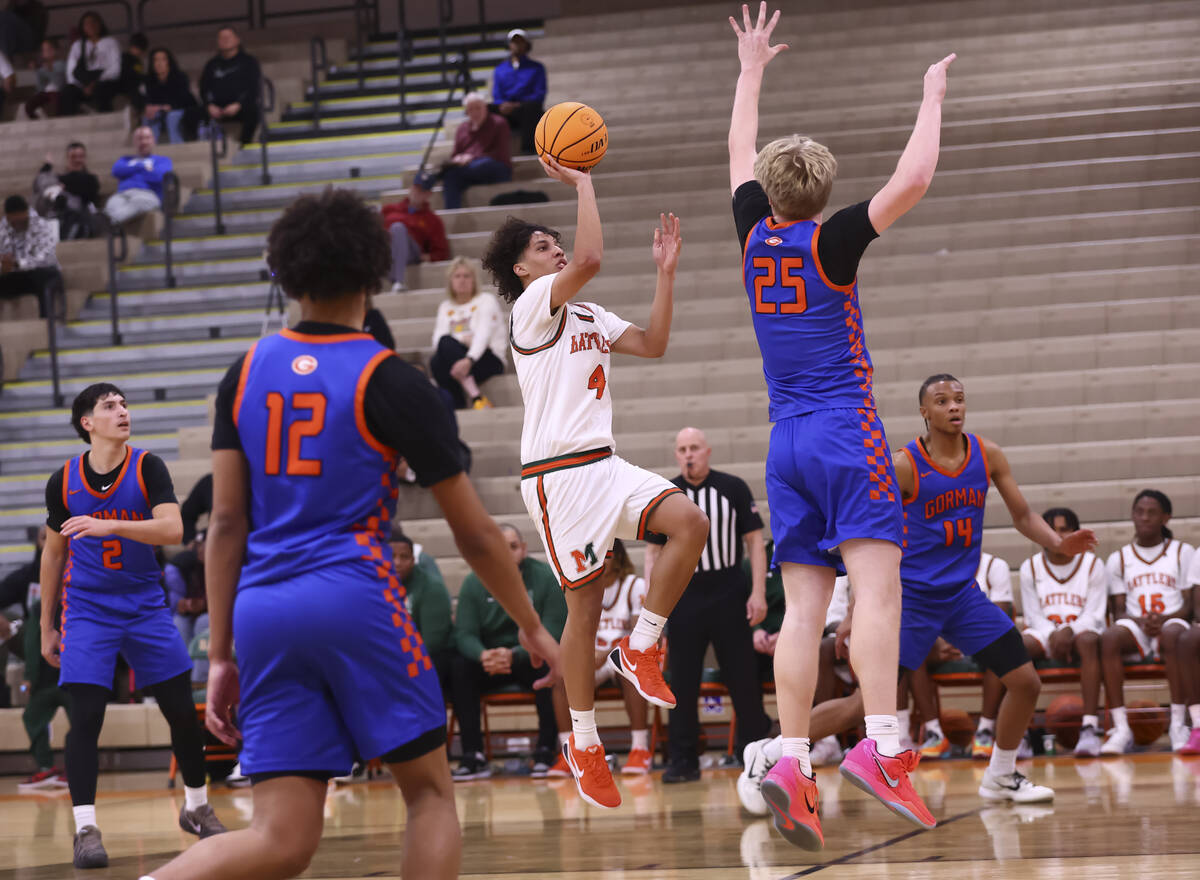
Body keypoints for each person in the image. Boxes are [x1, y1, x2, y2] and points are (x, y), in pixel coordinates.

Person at [138, 188, 560, 880]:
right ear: (375, 274)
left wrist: (218, 655)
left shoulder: (241, 373)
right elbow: (480, 536)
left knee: (281, 838)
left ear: (286, 273)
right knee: (428, 795)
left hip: (263, 610)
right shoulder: (392, 381)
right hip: (354, 597)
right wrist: (533, 629)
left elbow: (225, 526)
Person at [726, 4, 951, 846]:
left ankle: (789, 754)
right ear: (821, 196)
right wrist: (930, 96)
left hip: (783, 443)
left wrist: (751, 69)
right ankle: (883, 747)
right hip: (844, 433)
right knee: (880, 590)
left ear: (771, 192)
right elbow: (914, 180)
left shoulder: (752, 236)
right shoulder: (833, 245)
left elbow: (738, 151)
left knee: (801, 613)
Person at [481, 156, 709, 811]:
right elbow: (590, 257)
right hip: (557, 478)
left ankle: (641, 647)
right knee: (582, 610)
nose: (556, 252)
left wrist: (665, 277)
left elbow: (655, 342)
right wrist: (583, 183)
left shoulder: (589, 316)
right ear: (522, 269)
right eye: (541, 247)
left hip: (604, 464)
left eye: (555, 242)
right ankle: (583, 743)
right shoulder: (530, 308)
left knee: (688, 522)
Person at [38, 383, 226, 869]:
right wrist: (45, 626)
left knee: (182, 712)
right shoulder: (63, 480)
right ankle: (84, 829)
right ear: (88, 423)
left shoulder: (148, 467)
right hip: (87, 608)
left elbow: (172, 529)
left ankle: (197, 807)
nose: (122, 411)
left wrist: (109, 525)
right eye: (109, 406)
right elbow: (53, 554)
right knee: (87, 718)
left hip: (144, 603)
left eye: (124, 404)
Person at [888, 375, 1096, 796]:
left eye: (959, 399)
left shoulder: (988, 455)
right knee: (865, 703)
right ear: (924, 412)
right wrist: (859, 611)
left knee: (1025, 682)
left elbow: (1022, 515)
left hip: (962, 596)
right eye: (942, 401)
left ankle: (1001, 773)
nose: (954, 407)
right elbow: (875, 538)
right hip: (913, 598)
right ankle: (779, 752)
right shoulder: (904, 464)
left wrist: (1058, 542)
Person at [645, 426, 771, 782]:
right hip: (684, 594)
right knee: (681, 682)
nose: (689, 454)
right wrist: (654, 602)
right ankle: (683, 759)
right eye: (682, 448)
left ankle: (754, 754)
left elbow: (755, 542)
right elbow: (653, 552)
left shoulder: (732, 487)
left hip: (729, 588)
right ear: (676, 455)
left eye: (694, 448)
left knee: (743, 679)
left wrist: (757, 592)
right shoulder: (666, 494)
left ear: (708, 451)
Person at [451, 523, 566, 780]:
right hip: (491, 661)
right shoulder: (474, 582)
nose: (506, 553)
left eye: (512, 547)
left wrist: (514, 653)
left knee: (549, 663)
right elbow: (464, 634)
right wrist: (483, 655)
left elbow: (553, 631)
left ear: (523, 549)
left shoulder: (545, 577)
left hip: (529, 657)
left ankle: (546, 750)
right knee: (459, 668)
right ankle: (473, 755)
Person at [546, 539, 653, 778]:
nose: (602, 559)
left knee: (631, 673)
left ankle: (639, 748)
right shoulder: (580, 588)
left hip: (619, 655)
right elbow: (572, 632)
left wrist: (606, 654)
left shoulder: (634, 585)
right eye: (597, 554)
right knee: (562, 680)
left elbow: (637, 636)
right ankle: (568, 752)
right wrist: (584, 656)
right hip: (590, 657)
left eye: (607, 554)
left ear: (619, 556)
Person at [1100, 489, 1195, 755]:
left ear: (1166, 518)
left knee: (1174, 633)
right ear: (1132, 515)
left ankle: (1178, 723)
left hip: (1173, 621)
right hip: (1136, 625)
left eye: (1152, 513)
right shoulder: (1118, 558)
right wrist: (1141, 622)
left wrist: (1165, 618)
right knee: (1108, 637)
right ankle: (1120, 728)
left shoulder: (1182, 552)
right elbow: (1118, 611)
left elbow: (1190, 606)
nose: (1144, 518)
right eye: (1139, 512)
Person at [1016, 507, 1107, 757]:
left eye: (1064, 529)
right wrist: (1054, 633)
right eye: (1051, 529)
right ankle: (1020, 733)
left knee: (1088, 641)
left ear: (1077, 533)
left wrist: (1069, 630)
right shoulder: (1030, 567)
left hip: (1082, 632)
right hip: (1046, 633)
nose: (1057, 535)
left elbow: (1095, 614)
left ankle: (1089, 728)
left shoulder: (1093, 564)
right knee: (1015, 647)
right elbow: (1032, 614)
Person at [914, 549, 1015, 761]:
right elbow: (922, 613)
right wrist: (937, 640)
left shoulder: (995, 566)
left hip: (981, 643)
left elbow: (999, 616)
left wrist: (965, 641)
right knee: (910, 651)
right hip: (942, 644)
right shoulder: (930, 564)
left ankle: (985, 730)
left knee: (1000, 649)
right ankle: (934, 733)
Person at [429, 257, 506, 410]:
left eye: (466, 276)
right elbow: (437, 340)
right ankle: (471, 398)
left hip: (488, 359)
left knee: (445, 351)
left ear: (474, 280)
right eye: (457, 276)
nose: (462, 280)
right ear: (450, 281)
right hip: (460, 361)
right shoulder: (446, 306)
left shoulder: (485, 300)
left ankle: (470, 399)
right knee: (437, 358)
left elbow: (483, 335)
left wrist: (469, 359)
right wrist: (464, 341)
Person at [388, 528, 453, 692]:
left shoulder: (431, 587)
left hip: (425, 660)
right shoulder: (372, 585)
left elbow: (431, 644)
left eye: (404, 557)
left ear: (413, 560)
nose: (397, 562)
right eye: (391, 556)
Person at [441, 93, 513, 210]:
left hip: (495, 168)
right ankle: (452, 211)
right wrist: (458, 159)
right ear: (466, 112)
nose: (474, 112)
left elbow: (501, 153)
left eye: (478, 108)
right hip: (467, 169)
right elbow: (455, 153)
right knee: (450, 176)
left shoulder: (499, 123)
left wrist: (471, 157)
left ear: (485, 107)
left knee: (484, 163)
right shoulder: (462, 128)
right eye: (470, 109)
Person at [382, 170, 450, 292]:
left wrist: (426, 257)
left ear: (428, 194)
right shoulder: (389, 210)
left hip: (411, 252)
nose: (417, 193)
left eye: (422, 191)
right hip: (386, 250)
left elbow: (441, 252)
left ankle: (398, 281)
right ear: (411, 188)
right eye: (416, 188)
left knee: (398, 228)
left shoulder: (432, 220)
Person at [193, 25, 261, 146]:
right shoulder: (212, 64)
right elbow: (204, 89)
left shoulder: (249, 61)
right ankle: (199, 148)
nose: (225, 40)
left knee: (253, 112)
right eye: (221, 38)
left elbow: (254, 88)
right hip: (216, 107)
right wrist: (209, 106)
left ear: (237, 40)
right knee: (189, 115)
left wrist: (238, 105)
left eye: (228, 37)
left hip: (239, 106)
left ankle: (244, 146)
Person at [0, 194, 59, 318]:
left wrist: (17, 263)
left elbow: (45, 259)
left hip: (42, 272)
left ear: (26, 213)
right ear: (8, 217)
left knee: (45, 277)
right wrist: (3, 267)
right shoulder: (3, 228)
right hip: (16, 275)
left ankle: (47, 323)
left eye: (20, 219)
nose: (17, 223)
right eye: (13, 221)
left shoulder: (42, 225)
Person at [489, 28, 546, 155]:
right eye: (514, 42)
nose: (517, 45)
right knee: (484, 108)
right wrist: (503, 105)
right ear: (509, 45)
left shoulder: (537, 68)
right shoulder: (500, 69)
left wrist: (517, 105)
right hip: (506, 109)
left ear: (527, 45)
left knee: (532, 107)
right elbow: (496, 94)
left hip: (526, 108)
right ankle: (488, 151)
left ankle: (529, 149)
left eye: (521, 42)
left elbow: (539, 94)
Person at [164, 532, 209, 685]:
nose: (202, 550)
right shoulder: (184, 565)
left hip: (214, 615)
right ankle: (183, 679)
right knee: (177, 623)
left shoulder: (225, 561)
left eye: (205, 545)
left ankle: (200, 680)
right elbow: (176, 603)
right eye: (200, 546)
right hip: (191, 614)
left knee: (203, 623)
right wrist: (184, 605)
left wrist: (204, 605)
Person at [105, 126, 173, 226]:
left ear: (153, 140)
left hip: (147, 195)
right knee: (111, 204)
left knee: (141, 203)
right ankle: (115, 219)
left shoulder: (162, 160)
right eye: (140, 138)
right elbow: (116, 170)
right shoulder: (125, 159)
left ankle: (112, 221)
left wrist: (130, 171)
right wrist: (142, 167)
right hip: (122, 194)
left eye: (147, 138)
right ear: (134, 142)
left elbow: (159, 176)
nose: (143, 142)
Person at [33, 141, 101, 240]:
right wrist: (47, 166)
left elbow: (88, 191)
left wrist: (62, 186)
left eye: (81, 156)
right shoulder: (57, 178)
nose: (77, 160)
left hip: (79, 217)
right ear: (67, 158)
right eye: (73, 157)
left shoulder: (91, 178)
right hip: (56, 216)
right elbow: (40, 184)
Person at [59, 11, 121, 116]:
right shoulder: (77, 45)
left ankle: (105, 119)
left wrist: (95, 83)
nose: (90, 26)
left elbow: (115, 69)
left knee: (102, 90)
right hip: (83, 83)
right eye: (86, 24)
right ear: (82, 27)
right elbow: (71, 71)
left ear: (100, 24)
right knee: (68, 91)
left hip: (104, 81)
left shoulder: (111, 42)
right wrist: (83, 86)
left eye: (93, 22)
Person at [142, 47, 198, 144]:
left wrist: (165, 107)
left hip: (181, 109)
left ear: (169, 62)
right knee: (148, 117)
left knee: (172, 116)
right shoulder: (149, 80)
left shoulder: (180, 77)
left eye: (163, 59)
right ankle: (150, 148)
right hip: (160, 112)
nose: (159, 63)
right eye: (156, 60)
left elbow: (184, 99)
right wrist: (150, 108)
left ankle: (177, 146)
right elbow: (148, 101)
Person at [24, 37, 64, 119]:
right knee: (29, 105)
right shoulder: (43, 67)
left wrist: (50, 69)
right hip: (45, 93)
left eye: (49, 49)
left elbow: (59, 83)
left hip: (59, 93)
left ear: (56, 50)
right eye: (44, 50)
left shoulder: (61, 64)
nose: (47, 52)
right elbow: (41, 87)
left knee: (55, 103)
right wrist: (37, 72)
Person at [118, 31, 147, 107]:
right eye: (136, 48)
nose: (138, 52)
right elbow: (129, 75)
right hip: (124, 86)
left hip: (133, 88)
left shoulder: (137, 61)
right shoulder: (124, 58)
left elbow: (137, 75)